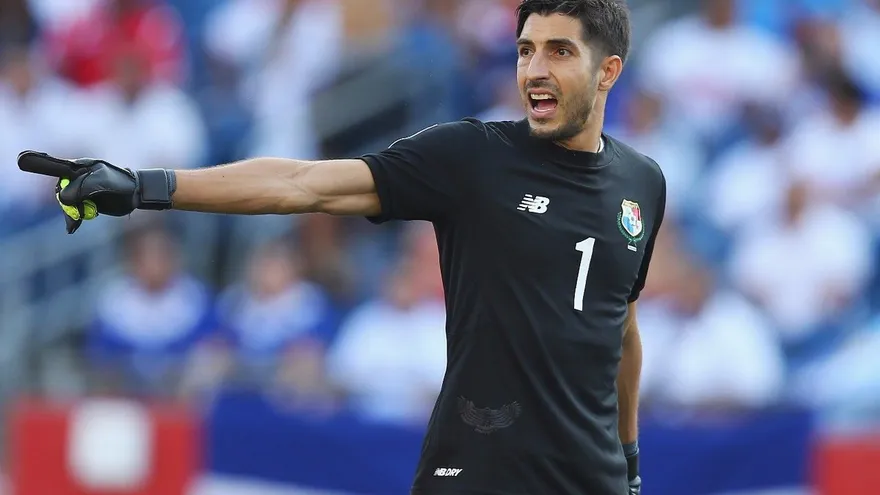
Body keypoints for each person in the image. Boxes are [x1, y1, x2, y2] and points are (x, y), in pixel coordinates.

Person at [21, 1, 665, 493]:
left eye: (559, 51)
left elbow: (621, 329)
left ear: (608, 71)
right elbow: (301, 183)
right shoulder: (474, 156)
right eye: (526, 50)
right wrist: (146, 186)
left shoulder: (643, 184)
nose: (535, 70)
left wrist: (629, 460)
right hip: (481, 473)